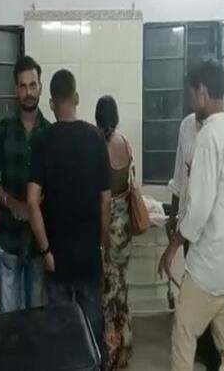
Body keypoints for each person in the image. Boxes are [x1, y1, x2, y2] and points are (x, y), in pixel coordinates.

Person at [158, 59, 224, 371]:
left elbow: (198, 211)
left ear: (202, 92)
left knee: (183, 337)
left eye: (191, 95)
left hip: (206, 271)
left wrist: (172, 247)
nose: (190, 102)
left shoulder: (207, 137)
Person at [28, 69, 111, 369]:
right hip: (88, 255)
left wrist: (45, 250)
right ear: (76, 98)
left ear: (51, 103)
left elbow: (31, 202)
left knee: (61, 336)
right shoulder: (95, 138)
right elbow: (106, 201)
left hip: (57, 258)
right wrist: (101, 245)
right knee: (93, 333)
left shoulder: (42, 140)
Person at [0, 55, 51, 312]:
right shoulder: (1, 131)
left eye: (33, 85)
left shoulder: (51, 133)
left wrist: (41, 202)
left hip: (39, 243)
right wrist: (11, 203)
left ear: (40, 87)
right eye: (23, 86)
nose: (28, 92)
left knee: (37, 317)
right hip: (9, 238)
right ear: (15, 90)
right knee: (10, 318)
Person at [167, 110, 222, 371]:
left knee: (209, 290)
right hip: (190, 222)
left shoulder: (223, 130)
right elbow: (180, 174)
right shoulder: (187, 126)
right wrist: (173, 213)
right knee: (194, 284)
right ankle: (202, 346)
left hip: (214, 225)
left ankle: (212, 353)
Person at [95, 96, 133, 370]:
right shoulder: (126, 144)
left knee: (107, 294)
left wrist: (102, 239)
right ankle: (125, 348)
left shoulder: (99, 146)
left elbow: (103, 200)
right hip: (125, 224)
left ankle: (109, 354)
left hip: (108, 224)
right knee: (122, 289)